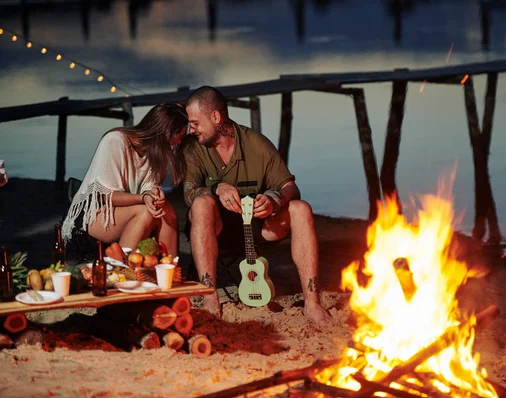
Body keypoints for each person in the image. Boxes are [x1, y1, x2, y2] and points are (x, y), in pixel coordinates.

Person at [183, 86, 332, 324]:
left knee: (300, 208)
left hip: (257, 229)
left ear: (216, 117)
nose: (191, 129)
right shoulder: (193, 148)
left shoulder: (256, 144)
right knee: (201, 204)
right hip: (215, 229)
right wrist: (216, 189)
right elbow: (188, 193)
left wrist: (275, 199)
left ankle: (312, 304)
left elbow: (290, 188)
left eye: (195, 123)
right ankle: (210, 298)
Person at [62, 102, 188, 256]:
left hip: (126, 211)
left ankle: (170, 271)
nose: (179, 142)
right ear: (164, 132)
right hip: (94, 214)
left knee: (166, 210)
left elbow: (149, 186)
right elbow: (106, 196)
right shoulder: (116, 141)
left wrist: (154, 194)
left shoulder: (158, 152)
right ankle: (121, 271)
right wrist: (143, 198)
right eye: (179, 136)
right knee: (145, 212)